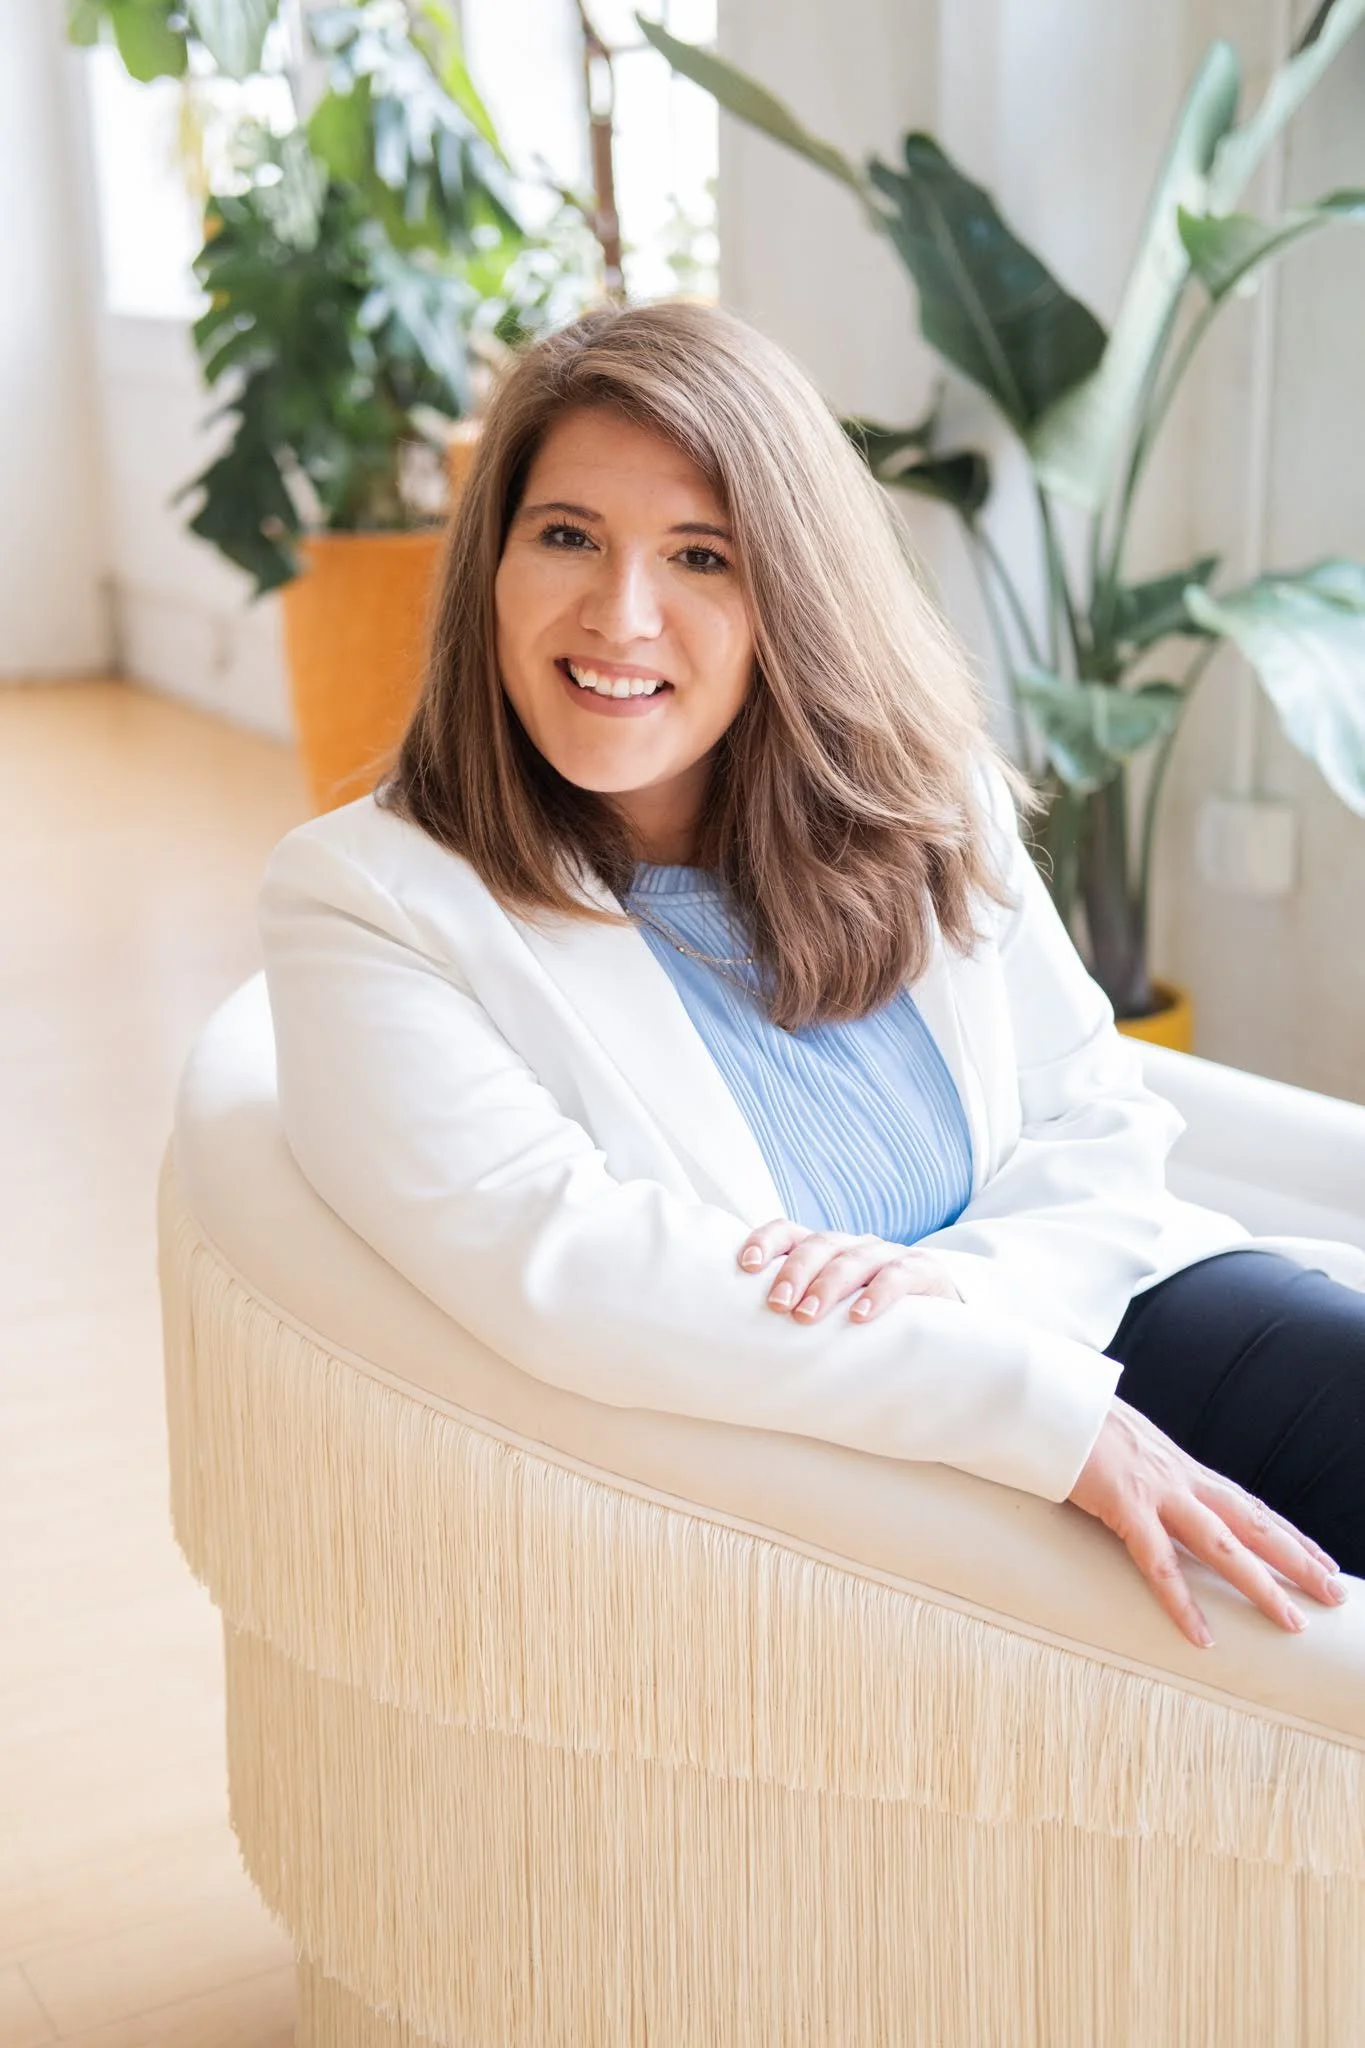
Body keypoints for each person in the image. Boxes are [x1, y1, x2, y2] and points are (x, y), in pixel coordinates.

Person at [258, 299, 1362, 1650]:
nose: (621, 615)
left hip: (1093, 1304)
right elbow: (575, 1275)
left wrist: (966, 1297)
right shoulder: (367, 901)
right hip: (856, 1462)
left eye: (700, 556)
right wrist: (1039, 1414)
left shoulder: (925, 797)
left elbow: (1098, 1121)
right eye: (567, 538)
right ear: (489, 565)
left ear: (789, 590)